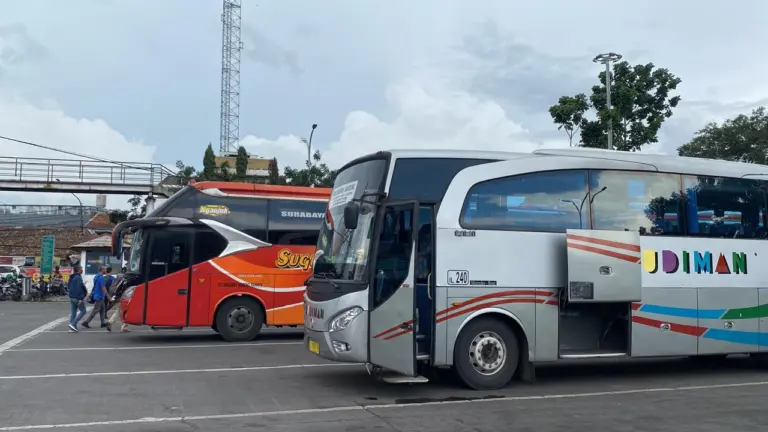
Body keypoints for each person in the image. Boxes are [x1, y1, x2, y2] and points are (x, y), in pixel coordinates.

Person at [106, 267, 131, 332]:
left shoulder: (116, 279)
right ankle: (123, 326)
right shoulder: (124, 280)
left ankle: (111, 322)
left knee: (119, 311)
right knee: (125, 311)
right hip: (120, 298)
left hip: (114, 297)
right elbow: (124, 290)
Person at [67, 264, 87, 332]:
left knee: (73, 312)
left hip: (72, 296)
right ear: (78, 269)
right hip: (77, 297)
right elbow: (79, 289)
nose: (82, 269)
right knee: (83, 311)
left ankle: (72, 328)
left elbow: (69, 287)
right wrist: (81, 298)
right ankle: (73, 324)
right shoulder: (78, 277)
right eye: (81, 268)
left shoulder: (72, 277)